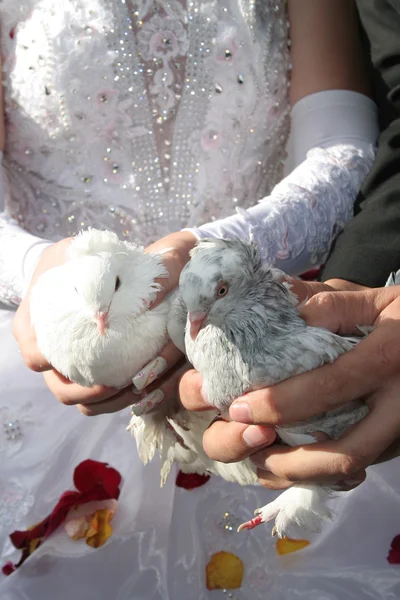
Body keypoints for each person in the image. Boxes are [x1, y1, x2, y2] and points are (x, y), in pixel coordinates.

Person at [0, 1, 386, 599]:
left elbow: (339, 138)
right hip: (51, 360)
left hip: (262, 351)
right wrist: (39, 272)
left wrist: (214, 257)